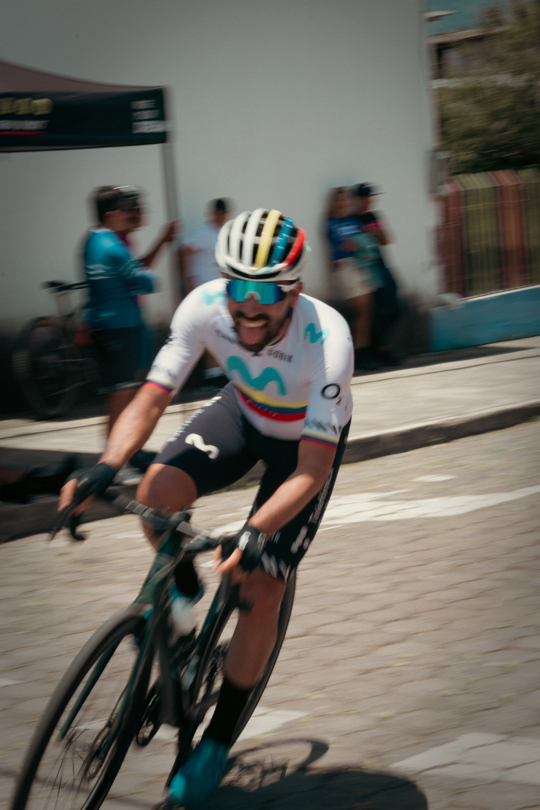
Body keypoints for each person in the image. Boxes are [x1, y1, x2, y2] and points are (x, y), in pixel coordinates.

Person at [60, 207, 353, 808]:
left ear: (293, 290)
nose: (248, 307)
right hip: (242, 412)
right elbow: (152, 397)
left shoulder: (328, 338)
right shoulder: (203, 308)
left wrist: (253, 532)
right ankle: (183, 600)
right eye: (237, 287)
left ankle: (216, 742)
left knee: (261, 585)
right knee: (154, 496)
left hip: (303, 449)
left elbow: (312, 471)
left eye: (264, 293)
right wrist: (106, 465)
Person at [83, 186, 176, 474]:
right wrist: (144, 278)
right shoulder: (111, 244)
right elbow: (144, 281)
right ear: (112, 214)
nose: (129, 214)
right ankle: (112, 462)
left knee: (123, 392)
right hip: (119, 327)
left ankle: (121, 453)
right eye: (125, 209)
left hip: (113, 325)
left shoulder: (93, 239)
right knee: (121, 394)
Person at [324, 187, 381, 371]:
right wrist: (355, 244)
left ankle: (361, 351)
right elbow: (339, 248)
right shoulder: (331, 223)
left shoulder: (353, 220)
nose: (343, 203)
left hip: (361, 266)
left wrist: (358, 243)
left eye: (345, 200)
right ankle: (355, 353)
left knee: (367, 310)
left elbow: (366, 240)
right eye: (339, 200)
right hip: (345, 267)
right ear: (334, 203)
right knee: (362, 310)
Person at [180, 198, 233, 388]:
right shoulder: (203, 232)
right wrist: (188, 279)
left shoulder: (224, 233)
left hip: (222, 290)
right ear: (213, 214)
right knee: (211, 330)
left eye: (224, 213)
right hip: (205, 291)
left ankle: (219, 373)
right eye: (219, 213)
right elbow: (184, 251)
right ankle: (211, 376)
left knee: (222, 330)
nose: (221, 216)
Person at [350, 184, 402, 366]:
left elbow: (385, 239)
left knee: (396, 307)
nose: (369, 201)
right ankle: (378, 349)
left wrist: (371, 234)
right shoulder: (352, 219)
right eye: (366, 197)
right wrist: (372, 234)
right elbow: (355, 244)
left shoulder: (373, 216)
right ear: (358, 199)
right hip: (367, 270)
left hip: (382, 266)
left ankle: (379, 345)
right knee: (375, 310)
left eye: (371, 197)